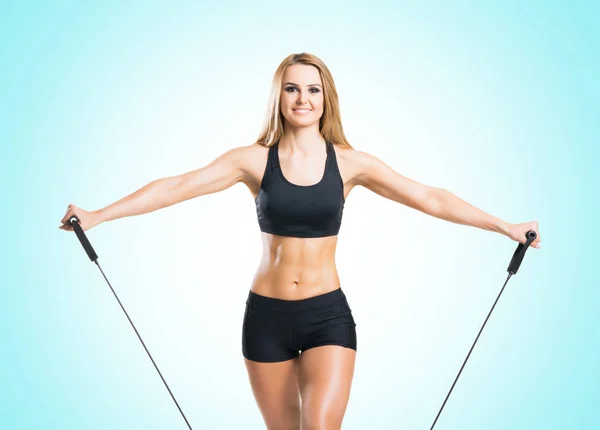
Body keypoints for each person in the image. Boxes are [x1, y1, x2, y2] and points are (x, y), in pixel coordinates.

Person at [60, 52, 541, 430]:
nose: (302, 98)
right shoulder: (252, 160)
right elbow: (175, 187)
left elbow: (430, 198)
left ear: (326, 98)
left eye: (313, 89)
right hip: (265, 318)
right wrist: (99, 215)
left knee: (319, 426)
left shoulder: (351, 164)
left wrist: (506, 227)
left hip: (327, 316)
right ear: (279, 96)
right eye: (292, 88)